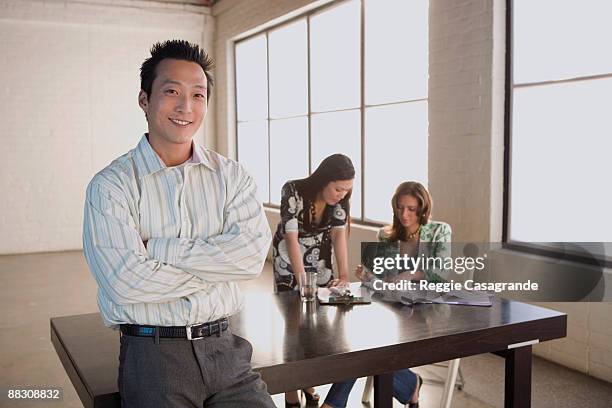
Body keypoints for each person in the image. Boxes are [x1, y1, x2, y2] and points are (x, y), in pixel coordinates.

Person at [82, 39, 275, 408]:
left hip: (227, 352)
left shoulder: (233, 177)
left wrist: (157, 249)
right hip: (154, 358)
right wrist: (220, 267)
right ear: (144, 99)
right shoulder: (111, 186)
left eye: (198, 95)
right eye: (171, 91)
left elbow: (250, 259)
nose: (186, 107)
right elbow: (125, 283)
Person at [322, 181, 452, 408]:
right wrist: (368, 277)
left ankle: (333, 404)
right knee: (361, 341)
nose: (404, 214)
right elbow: (385, 284)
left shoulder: (440, 231)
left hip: (428, 309)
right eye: (400, 207)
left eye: (411, 209)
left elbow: (442, 272)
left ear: (422, 209)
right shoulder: (385, 235)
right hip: (394, 306)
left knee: (365, 344)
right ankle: (409, 383)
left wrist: (410, 274)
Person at [272, 153, 355, 407]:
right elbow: (291, 238)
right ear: (324, 179)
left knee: (317, 324)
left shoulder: (341, 200)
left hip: (320, 260)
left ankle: (308, 383)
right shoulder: (293, 190)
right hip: (289, 260)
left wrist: (344, 275)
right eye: (338, 188)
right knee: (293, 324)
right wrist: (301, 280)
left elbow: (340, 237)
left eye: (347, 190)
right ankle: (291, 394)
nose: (341, 194)